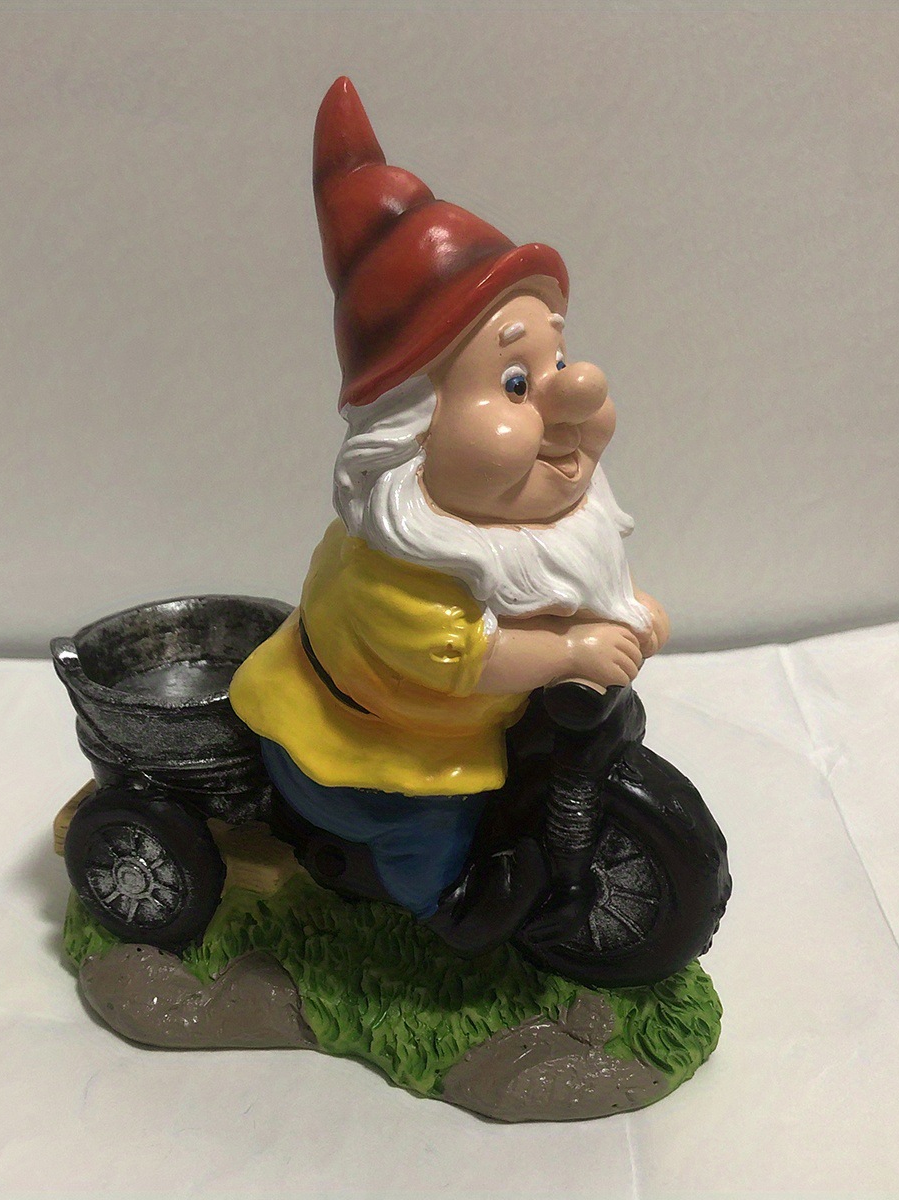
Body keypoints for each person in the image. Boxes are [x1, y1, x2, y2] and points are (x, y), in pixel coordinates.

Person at [230, 78, 670, 955]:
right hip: (373, 745)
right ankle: (443, 908)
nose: (575, 393)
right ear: (410, 433)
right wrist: (573, 650)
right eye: (515, 382)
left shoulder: (514, 529)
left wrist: (618, 608)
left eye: (558, 359)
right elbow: (474, 656)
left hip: (475, 722)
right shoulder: (399, 575)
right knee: (427, 828)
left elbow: (561, 587)